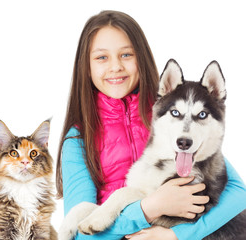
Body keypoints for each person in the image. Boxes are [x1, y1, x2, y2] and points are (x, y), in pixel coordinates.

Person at [56, 10, 246, 240]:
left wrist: (175, 235)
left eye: (126, 55)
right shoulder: (78, 138)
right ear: (85, 66)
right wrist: (149, 208)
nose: (115, 66)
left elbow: (238, 193)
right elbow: (81, 236)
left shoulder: (167, 118)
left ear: (141, 57)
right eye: (101, 57)